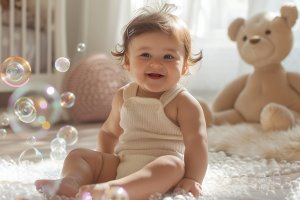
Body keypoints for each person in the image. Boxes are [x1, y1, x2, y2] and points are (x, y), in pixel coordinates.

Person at [35, 2, 208, 200]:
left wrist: (193, 178)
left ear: (184, 66)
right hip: (123, 163)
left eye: (168, 56)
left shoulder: (183, 102)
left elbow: (197, 142)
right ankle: (72, 181)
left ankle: (112, 189)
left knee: (173, 165)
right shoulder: (123, 96)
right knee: (78, 155)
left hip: (160, 172)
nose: (156, 63)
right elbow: (109, 132)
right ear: (127, 62)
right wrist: (102, 162)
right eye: (145, 55)